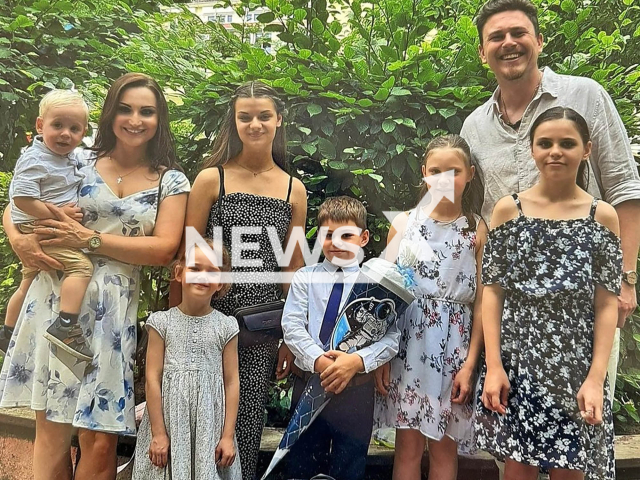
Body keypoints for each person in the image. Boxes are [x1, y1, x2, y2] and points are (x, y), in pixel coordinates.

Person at [0, 72, 190, 480]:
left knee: (100, 439)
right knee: (51, 432)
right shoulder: (76, 159)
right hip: (56, 304)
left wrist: (88, 241)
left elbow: (163, 249)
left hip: (112, 315)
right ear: (109, 114)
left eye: (146, 111)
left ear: (160, 119)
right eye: (125, 109)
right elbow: (18, 201)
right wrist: (19, 239)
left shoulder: (170, 180)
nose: (134, 119)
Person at [460, 0, 640, 397]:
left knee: (583, 424)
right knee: (512, 435)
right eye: (496, 37)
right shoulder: (474, 127)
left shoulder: (586, 96)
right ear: (482, 51)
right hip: (511, 309)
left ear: (539, 40)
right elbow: (482, 220)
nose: (509, 43)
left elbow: (626, 191)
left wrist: (626, 280)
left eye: (518, 33)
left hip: (585, 304)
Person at [476, 107, 621, 480]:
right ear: (532, 149)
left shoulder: (601, 215)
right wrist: (494, 367)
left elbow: (606, 302)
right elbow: (491, 293)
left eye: (567, 143)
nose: (555, 151)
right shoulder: (509, 210)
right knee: (516, 470)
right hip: (520, 363)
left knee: (571, 471)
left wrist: (596, 378)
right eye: (545, 143)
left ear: (586, 149)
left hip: (576, 364)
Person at [184, 80, 307, 480]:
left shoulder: (294, 189)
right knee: (196, 422)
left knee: (245, 429)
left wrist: (290, 333)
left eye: (264, 116)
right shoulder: (210, 179)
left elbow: (292, 268)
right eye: (245, 116)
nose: (255, 124)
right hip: (207, 319)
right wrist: (175, 322)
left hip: (261, 327)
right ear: (234, 121)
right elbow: (187, 256)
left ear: (278, 120)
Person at [374, 135, 487, 480]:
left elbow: (483, 300)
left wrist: (471, 363)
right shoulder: (404, 224)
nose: (443, 179)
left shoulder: (477, 229)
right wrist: (381, 353)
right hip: (406, 347)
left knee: (443, 447)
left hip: (454, 350)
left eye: (453, 171)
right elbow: (386, 293)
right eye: (435, 170)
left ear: (468, 174)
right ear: (423, 173)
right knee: (406, 447)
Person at [281, 196, 399, 480]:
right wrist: (320, 361)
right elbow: (292, 325)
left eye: (346, 234)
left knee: (350, 469)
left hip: (356, 390)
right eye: (328, 235)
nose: (336, 242)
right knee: (300, 467)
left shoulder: (377, 286)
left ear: (364, 238)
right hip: (310, 382)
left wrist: (358, 361)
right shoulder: (305, 278)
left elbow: (392, 336)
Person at [132, 239, 242, 480]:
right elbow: (152, 378)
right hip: (169, 426)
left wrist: (226, 436)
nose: (202, 276)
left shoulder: (226, 326)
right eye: (195, 268)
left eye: (212, 271)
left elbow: (232, 382)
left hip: (209, 429)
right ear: (180, 273)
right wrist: (158, 433)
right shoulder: (162, 323)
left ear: (221, 281)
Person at [0, 90, 93, 360]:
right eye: (58, 125)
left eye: (74, 128)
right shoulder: (35, 158)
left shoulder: (70, 157)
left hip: (39, 228)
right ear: (40, 125)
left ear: (83, 131)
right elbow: (21, 199)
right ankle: (66, 326)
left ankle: (7, 332)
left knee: (27, 280)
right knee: (81, 266)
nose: (66, 134)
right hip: (41, 228)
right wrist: (58, 215)